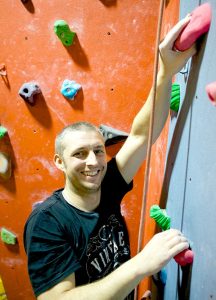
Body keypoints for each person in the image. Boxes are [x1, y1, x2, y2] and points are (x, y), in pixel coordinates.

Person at [24, 15, 196, 300]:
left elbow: (141, 134)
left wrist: (166, 71)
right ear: (59, 162)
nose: (93, 162)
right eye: (79, 154)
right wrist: (141, 265)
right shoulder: (48, 221)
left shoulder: (107, 183)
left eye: (98, 150)